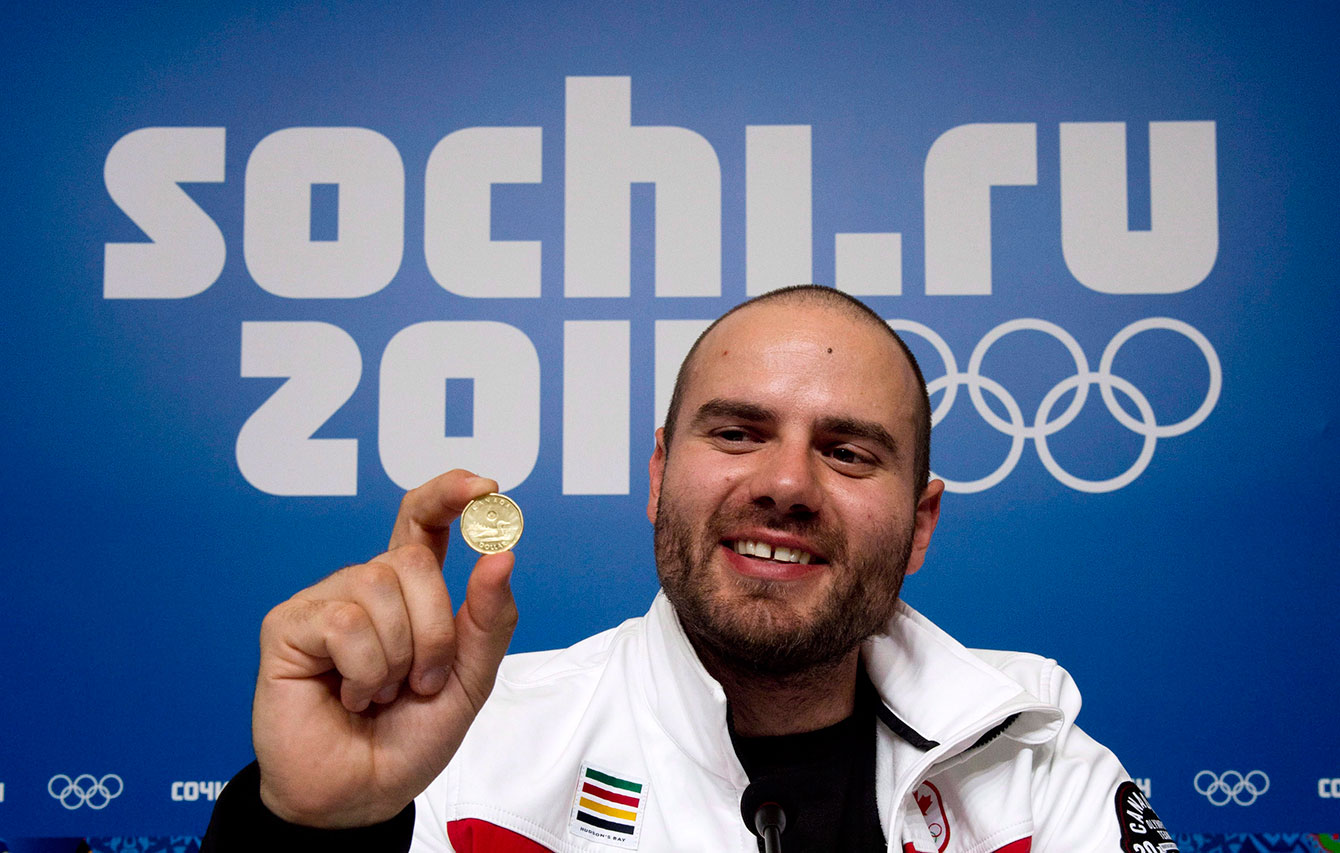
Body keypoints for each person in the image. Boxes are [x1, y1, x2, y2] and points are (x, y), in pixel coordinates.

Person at [204, 285, 1174, 852]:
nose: (785, 484)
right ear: (660, 476)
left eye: (846, 452)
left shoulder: (1036, 763)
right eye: (738, 432)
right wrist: (305, 831)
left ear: (920, 525)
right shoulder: (467, 764)